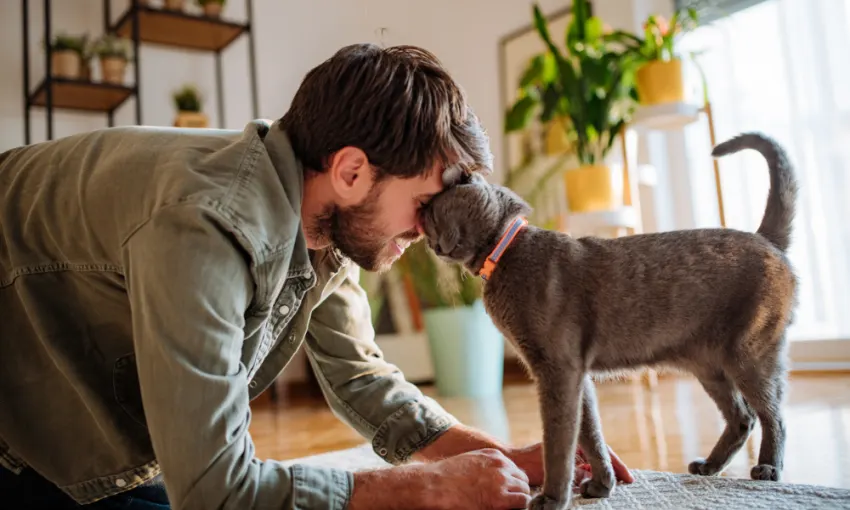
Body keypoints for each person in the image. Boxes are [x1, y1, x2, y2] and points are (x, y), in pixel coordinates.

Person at [0, 43, 632, 509]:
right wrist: (423, 489)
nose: (430, 230)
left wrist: (484, 454)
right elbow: (215, 492)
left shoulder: (322, 215)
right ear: (353, 170)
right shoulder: (206, 228)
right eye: (424, 204)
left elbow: (359, 377)